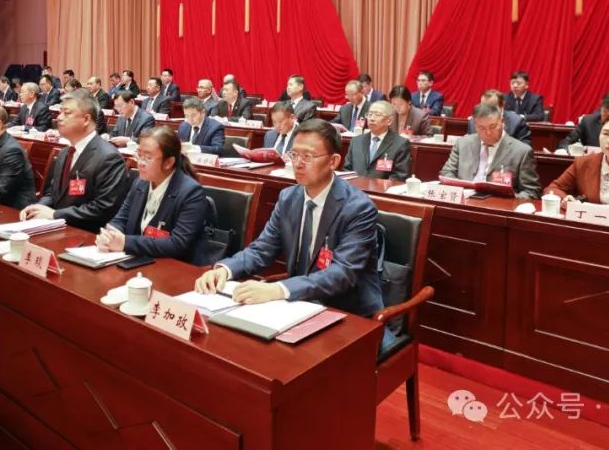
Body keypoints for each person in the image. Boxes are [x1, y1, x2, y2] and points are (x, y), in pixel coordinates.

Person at [194, 120, 390, 327]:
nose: (298, 163)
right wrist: (225, 270)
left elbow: (343, 273)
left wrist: (278, 289)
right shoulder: (288, 198)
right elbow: (262, 249)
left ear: (333, 161)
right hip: (299, 304)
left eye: (308, 156)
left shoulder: (358, 208)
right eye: (294, 155)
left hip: (349, 312)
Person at [98, 126, 215, 263]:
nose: (140, 163)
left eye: (148, 158)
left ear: (168, 162)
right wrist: (109, 235)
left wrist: (125, 243)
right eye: (139, 155)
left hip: (175, 266)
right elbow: (121, 219)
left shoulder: (191, 192)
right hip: (139, 261)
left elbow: (177, 244)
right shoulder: (140, 183)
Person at [20, 93, 130, 232]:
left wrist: (55, 215)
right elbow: (53, 193)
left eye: (66, 113)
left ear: (86, 119)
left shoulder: (109, 157)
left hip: (87, 234)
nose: (59, 117)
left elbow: (103, 208)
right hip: (57, 228)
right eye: (60, 112)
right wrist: (39, 207)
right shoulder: (65, 152)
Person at [439, 103, 541, 198]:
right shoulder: (462, 144)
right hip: (464, 201)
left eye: (493, 126)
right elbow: (447, 173)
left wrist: (505, 202)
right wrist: (460, 192)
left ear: (502, 122)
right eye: (481, 128)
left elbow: (531, 192)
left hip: (498, 207)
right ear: (475, 126)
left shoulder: (521, 152)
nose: (488, 133)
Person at [343, 101, 411, 180]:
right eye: (370, 114)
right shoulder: (356, 141)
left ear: (389, 121)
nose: (372, 118)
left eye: (377, 115)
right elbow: (347, 170)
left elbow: (400, 176)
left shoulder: (400, 144)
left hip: (383, 187)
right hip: (355, 186)